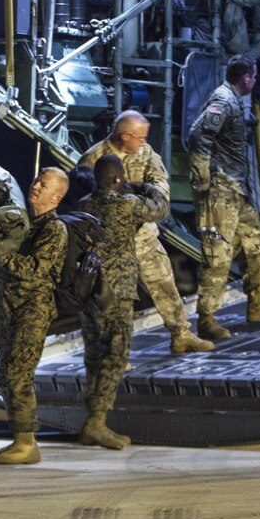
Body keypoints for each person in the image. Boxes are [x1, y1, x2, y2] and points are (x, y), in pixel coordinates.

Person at [80, 111, 213, 354]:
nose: (143, 142)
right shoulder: (93, 158)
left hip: (143, 238)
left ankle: (181, 334)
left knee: (164, 284)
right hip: (112, 247)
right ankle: (116, 355)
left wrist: (143, 193)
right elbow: (86, 200)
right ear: (124, 136)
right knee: (115, 302)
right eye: (139, 137)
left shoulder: (146, 153)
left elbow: (161, 188)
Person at [187, 54, 260, 341]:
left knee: (255, 244)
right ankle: (206, 319)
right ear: (246, 77)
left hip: (236, 191)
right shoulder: (224, 100)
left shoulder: (233, 100)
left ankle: (257, 305)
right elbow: (198, 136)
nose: (255, 81)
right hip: (220, 191)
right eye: (253, 76)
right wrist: (203, 176)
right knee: (218, 255)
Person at [74, 155, 169, 449]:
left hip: (90, 291)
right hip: (118, 292)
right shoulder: (127, 204)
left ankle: (91, 417)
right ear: (118, 179)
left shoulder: (83, 205)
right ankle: (97, 423)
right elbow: (161, 209)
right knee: (115, 357)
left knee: (93, 356)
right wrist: (146, 187)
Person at [0, 167, 69, 465]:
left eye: (43, 185)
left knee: (20, 375)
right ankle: (19, 439)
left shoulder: (54, 229)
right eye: (36, 181)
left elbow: (35, 269)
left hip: (32, 312)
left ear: (57, 195)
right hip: (11, 309)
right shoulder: (25, 223)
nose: (35, 187)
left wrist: (0, 255)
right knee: (8, 375)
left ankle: (26, 443)